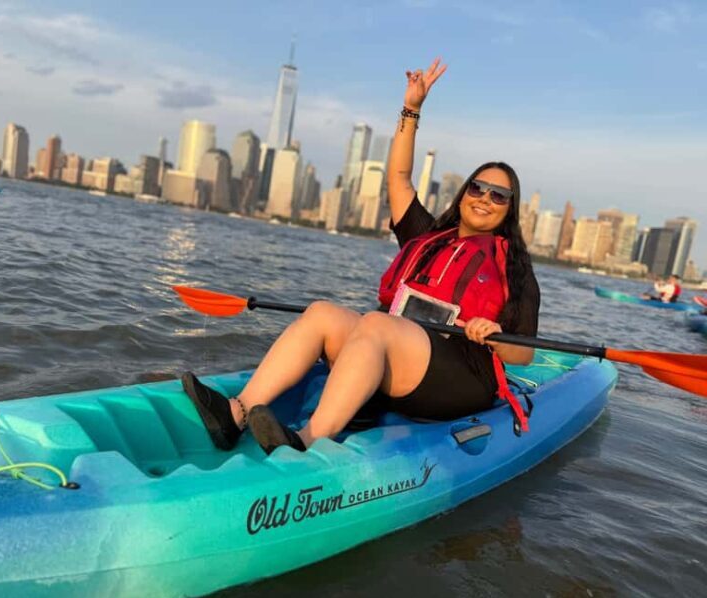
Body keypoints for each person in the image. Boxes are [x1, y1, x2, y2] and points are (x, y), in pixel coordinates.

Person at [181, 56, 541, 454]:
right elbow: (399, 179)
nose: (485, 199)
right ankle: (237, 413)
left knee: (377, 324)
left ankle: (307, 439)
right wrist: (412, 109)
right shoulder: (429, 235)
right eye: (477, 188)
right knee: (321, 313)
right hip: (398, 359)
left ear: (510, 207)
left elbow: (523, 354)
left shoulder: (515, 266)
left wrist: (493, 335)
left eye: (499, 195)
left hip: (461, 378)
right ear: (464, 193)